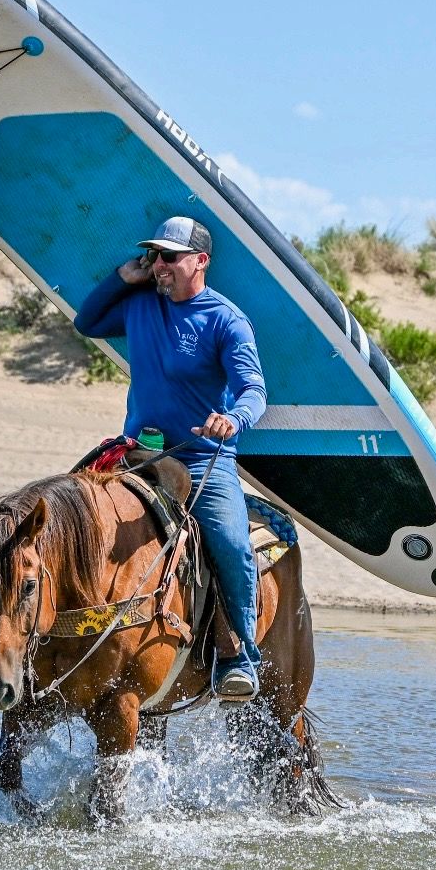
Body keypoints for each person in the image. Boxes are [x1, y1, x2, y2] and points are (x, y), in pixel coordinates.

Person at [73, 216, 267, 699]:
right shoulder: (139, 304)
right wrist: (125, 276)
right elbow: (88, 322)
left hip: (202, 458)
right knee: (67, 517)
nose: (159, 265)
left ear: (200, 261)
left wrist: (233, 419)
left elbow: (253, 390)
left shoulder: (226, 319)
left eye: (169, 257)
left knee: (229, 542)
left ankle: (237, 656)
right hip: (134, 453)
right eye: (154, 256)